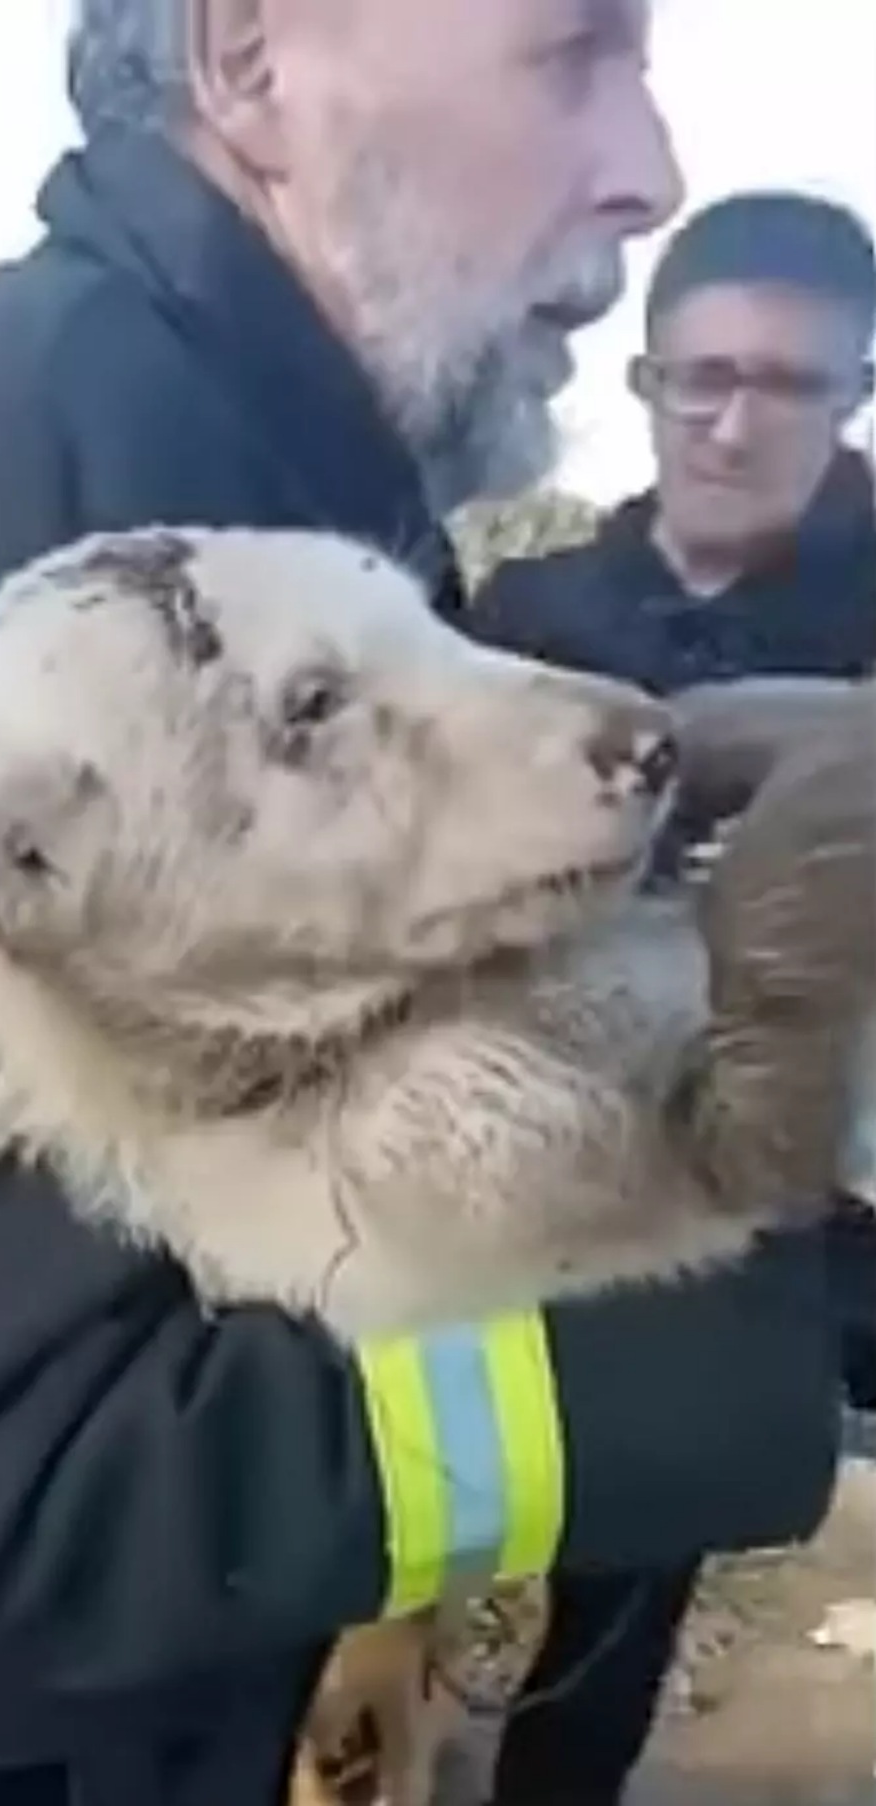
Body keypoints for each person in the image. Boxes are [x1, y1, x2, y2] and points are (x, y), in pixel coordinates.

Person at [0, 11, 845, 1805]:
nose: (647, 168)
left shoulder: (253, 481)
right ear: (249, 56)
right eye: (573, 49)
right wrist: (745, 1230)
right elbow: (25, 1488)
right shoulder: (6, 553)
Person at [472, 189, 876, 1806]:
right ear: (637, 377)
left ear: (852, 392)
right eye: (691, 376)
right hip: (621, 1179)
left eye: (784, 383)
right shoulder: (531, 620)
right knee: (616, 1573)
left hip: (854, 1195)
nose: (728, 421)